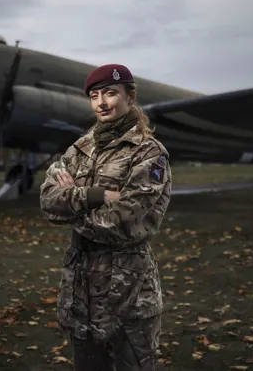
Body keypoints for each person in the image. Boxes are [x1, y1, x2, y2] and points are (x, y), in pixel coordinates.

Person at [39, 64, 172, 370]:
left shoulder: (149, 153)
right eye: (94, 95)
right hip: (80, 293)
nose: (101, 102)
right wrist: (94, 196)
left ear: (131, 97)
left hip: (129, 295)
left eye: (111, 93)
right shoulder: (79, 149)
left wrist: (71, 203)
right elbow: (48, 202)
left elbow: (123, 222)